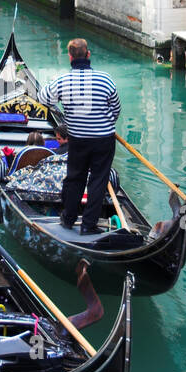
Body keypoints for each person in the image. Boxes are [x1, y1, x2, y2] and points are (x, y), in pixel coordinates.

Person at [39, 39, 120, 234]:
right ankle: (88, 225)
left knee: (75, 178)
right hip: (103, 139)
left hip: (78, 140)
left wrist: (65, 110)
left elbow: (43, 98)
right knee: (98, 180)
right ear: (88, 55)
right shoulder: (105, 79)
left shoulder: (62, 81)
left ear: (70, 57)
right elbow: (116, 109)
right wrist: (104, 123)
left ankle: (68, 218)